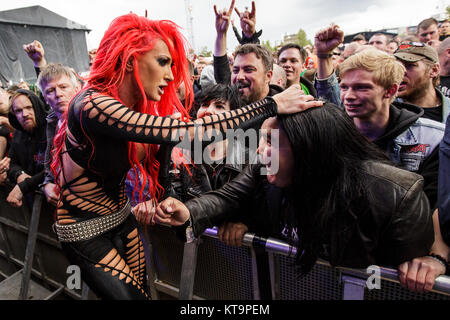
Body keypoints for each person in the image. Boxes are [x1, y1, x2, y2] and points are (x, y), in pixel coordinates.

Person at [49, 13, 320, 300]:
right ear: (130, 59)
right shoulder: (92, 104)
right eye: (163, 62)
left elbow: (170, 154)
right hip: (85, 229)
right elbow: (190, 132)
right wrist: (271, 104)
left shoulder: (139, 110)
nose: (169, 75)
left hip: (123, 220)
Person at [154, 104, 434, 278]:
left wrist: (428, 264)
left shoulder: (397, 196)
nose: (261, 151)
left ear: (308, 148)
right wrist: (188, 211)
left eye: (270, 142)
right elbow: (230, 196)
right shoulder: (268, 165)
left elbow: (405, 282)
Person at [313, 24, 448, 292]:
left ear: (390, 91)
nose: (349, 96)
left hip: (404, 270)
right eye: (345, 87)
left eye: (361, 88)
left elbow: (437, 204)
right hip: (346, 260)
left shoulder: (433, 138)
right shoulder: (334, 133)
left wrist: (437, 256)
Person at [37, 63, 81, 207]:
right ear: (45, 97)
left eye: (63, 87)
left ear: (77, 89)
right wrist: (47, 184)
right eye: (50, 90)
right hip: (65, 205)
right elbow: (51, 161)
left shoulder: (88, 120)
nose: (58, 94)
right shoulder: (52, 123)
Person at [6, 89, 49, 208]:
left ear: (36, 107)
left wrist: (25, 185)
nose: (25, 114)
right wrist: (19, 174)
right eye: (19, 111)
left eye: (29, 107)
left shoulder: (51, 128)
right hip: (34, 203)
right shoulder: (18, 134)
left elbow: (55, 169)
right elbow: (11, 163)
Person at [394, 42, 450, 123]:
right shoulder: (386, 110)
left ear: (434, 70)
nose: (399, 72)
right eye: (396, 66)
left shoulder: (447, 111)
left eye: (409, 65)